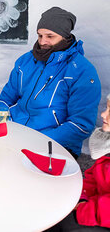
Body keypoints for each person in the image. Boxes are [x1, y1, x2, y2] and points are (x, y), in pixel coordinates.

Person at [0, 7, 101, 158]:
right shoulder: (25, 61)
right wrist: (4, 124)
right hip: (16, 133)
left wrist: (39, 141)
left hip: (55, 145)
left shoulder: (82, 71)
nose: (42, 42)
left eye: (49, 36)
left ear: (65, 37)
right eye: (39, 35)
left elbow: (81, 125)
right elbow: (5, 99)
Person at [47, 94, 110, 231]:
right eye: (106, 108)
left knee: (56, 222)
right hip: (94, 207)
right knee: (51, 210)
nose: (103, 114)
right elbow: (92, 178)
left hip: (102, 216)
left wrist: (83, 210)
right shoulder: (106, 146)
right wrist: (82, 197)